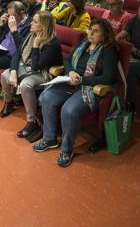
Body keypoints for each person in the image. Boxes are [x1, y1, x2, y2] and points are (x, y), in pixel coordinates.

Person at [33, 18, 119, 167]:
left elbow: (108, 77)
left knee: (69, 110)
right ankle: (50, 138)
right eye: (90, 29)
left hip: (89, 88)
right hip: (71, 81)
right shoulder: (83, 44)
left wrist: (81, 80)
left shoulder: (108, 50)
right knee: (47, 97)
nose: (90, 33)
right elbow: (67, 61)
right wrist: (71, 71)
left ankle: (66, 149)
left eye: (96, 31)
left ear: (105, 35)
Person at [0, 11, 62, 134]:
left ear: (43, 26)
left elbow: (36, 66)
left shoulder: (52, 43)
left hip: (44, 73)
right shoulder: (31, 34)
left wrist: (35, 46)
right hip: (27, 67)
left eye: (35, 22)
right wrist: (13, 72)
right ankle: (9, 102)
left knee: (25, 85)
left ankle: (31, 121)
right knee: (4, 75)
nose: (31, 24)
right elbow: (18, 53)